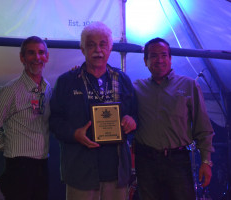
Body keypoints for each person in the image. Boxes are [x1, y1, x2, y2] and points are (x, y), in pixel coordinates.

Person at [49, 21, 137, 200]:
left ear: (110, 47)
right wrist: (74, 134)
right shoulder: (67, 82)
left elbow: (136, 114)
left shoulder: (123, 80)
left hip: (116, 173)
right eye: (91, 45)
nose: (98, 50)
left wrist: (132, 120)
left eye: (103, 44)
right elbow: (55, 122)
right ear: (82, 49)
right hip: (80, 174)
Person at [133, 37, 214, 200]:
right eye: (153, 56)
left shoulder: (189, 85)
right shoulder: (136, 88)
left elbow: (203, 127)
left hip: (178, 162)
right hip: (146, 163)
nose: (159, 60)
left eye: (164, 55)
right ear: (145, 61)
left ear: (170, 59)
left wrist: (206, 161)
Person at [0, 36, 52, 200]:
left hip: (42, 165)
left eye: (41, 53)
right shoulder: (11, 90)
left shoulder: (48, 89)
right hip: (18, 167)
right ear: (22, 58)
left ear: (47, 57)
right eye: (31, 53)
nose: (37, 57)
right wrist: (10, 147)